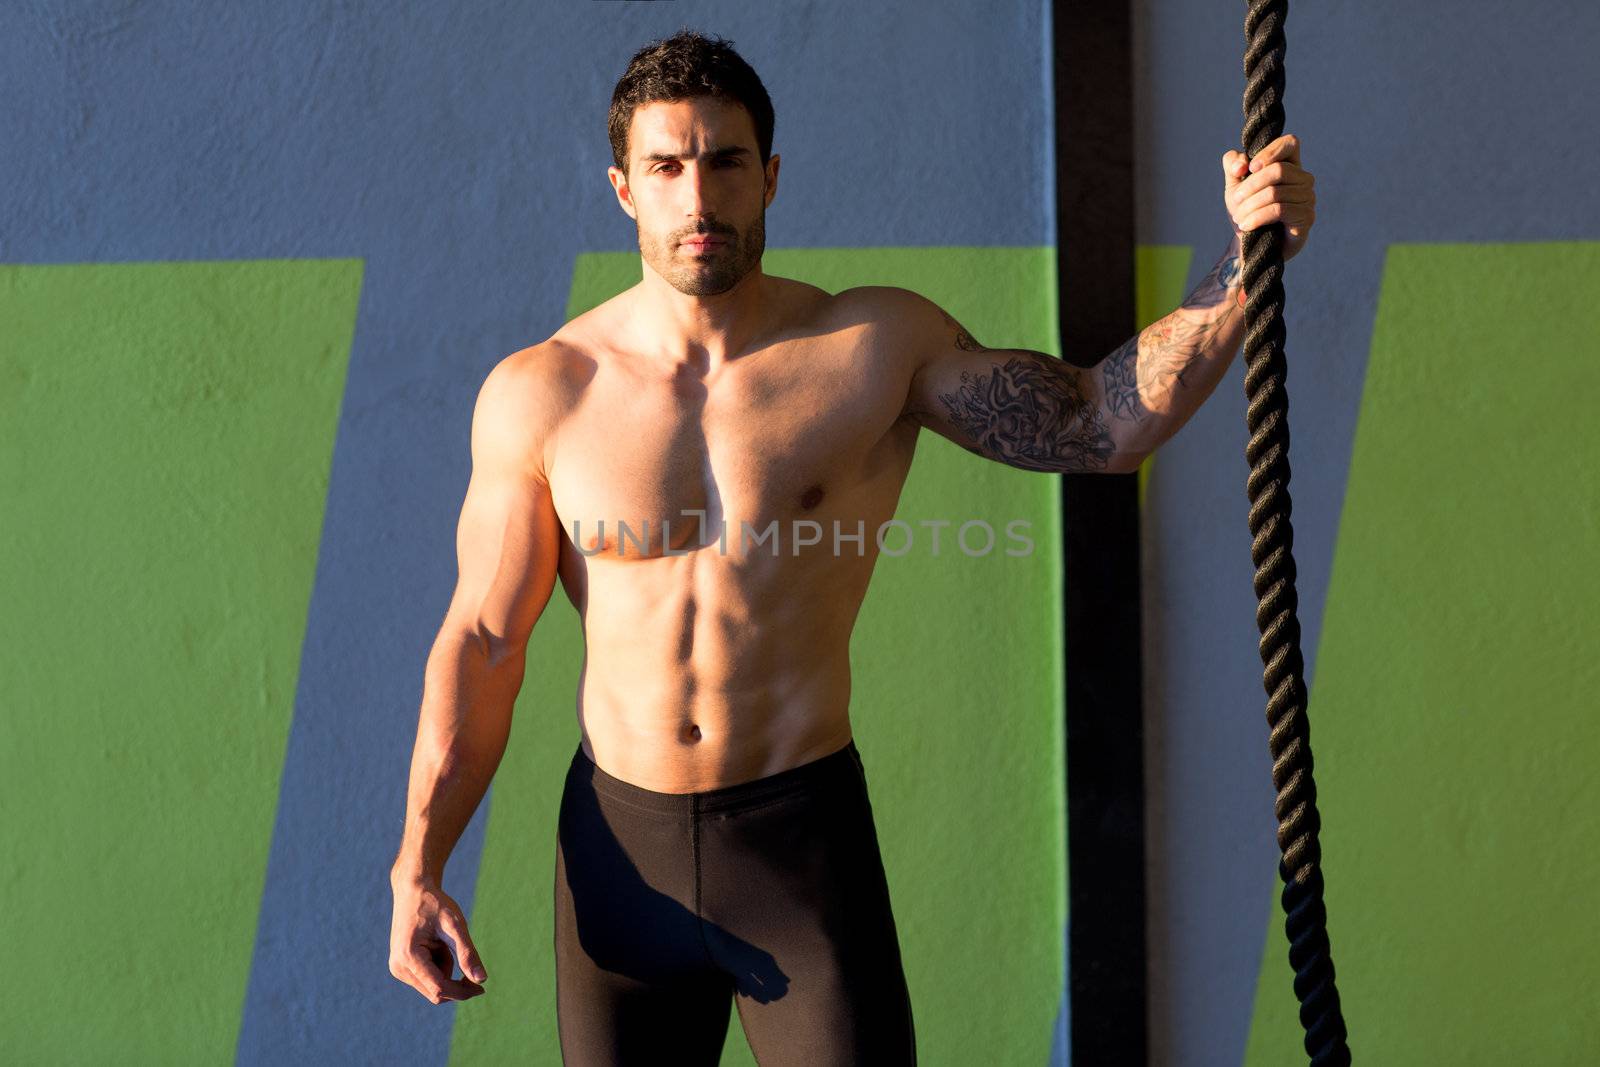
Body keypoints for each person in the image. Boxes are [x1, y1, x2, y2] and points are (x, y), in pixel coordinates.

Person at [387, 27, 1315, 1066]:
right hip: (618, 854)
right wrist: (417, 864)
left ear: (771, 176)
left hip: (798, 841)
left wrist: (1245, 261)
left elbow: (1101, 422)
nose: (699, 198)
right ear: (622, 189)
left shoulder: (871, 350)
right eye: (667, 166)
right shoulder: (544, 393)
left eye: (726, 161)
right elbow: (482, 640)